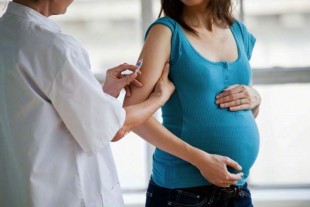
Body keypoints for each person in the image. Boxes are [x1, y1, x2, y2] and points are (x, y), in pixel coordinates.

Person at [0, 1, 176, 207]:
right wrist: (160, 97)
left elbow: (40, 112)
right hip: (65, 196)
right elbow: (113, 129)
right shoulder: (55, 47)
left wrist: (104, 93)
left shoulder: (7, 33)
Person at [123, 0, 262, 206]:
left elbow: (238, 111)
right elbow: (130, 116)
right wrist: (200, 160)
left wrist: (256, 99)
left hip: (237, 190)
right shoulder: (165, 32)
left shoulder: (238, 31)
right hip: (182, 193)